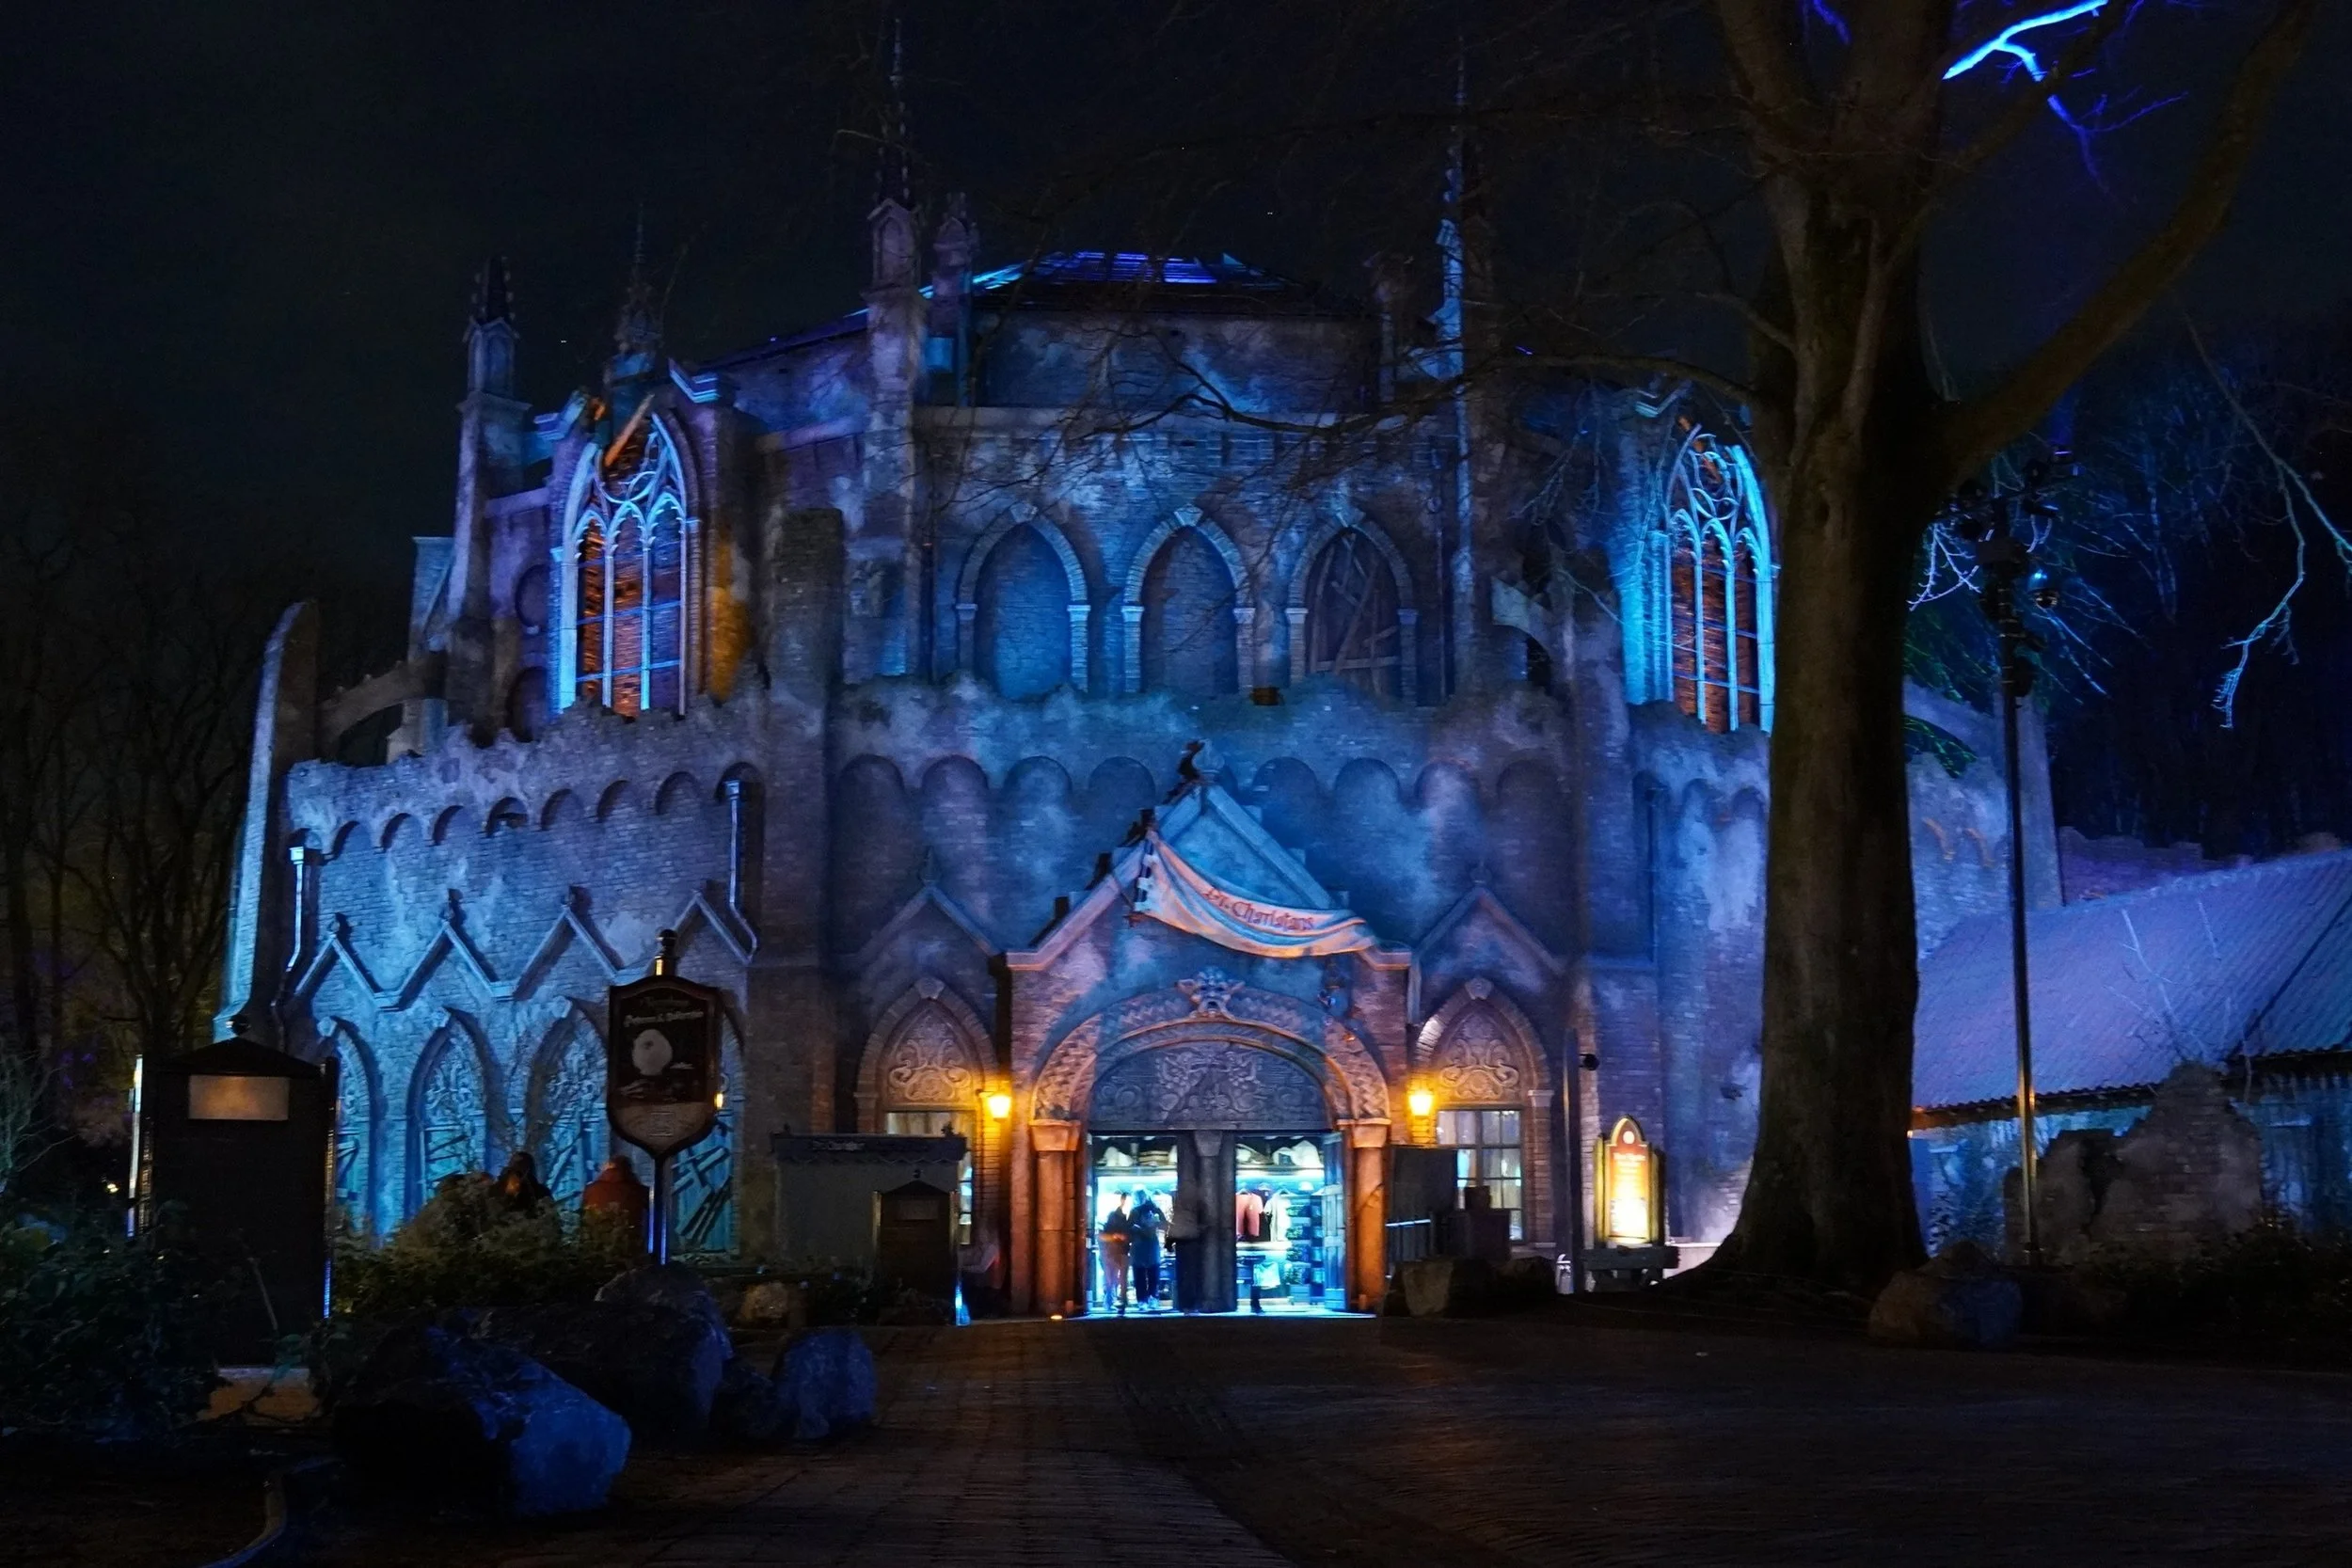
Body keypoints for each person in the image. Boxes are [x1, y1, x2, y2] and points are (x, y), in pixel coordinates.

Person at [1128, 1189, 1167, 1310]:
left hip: (1147, 1246)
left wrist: (1157, 1216)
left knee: (1150, 1273)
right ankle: (1146, 1300)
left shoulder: (1151, 1211)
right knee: (1145, 1273)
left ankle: (1148, 1299)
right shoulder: (1135, 1211)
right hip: (1141, 1246)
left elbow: (1164, 1225)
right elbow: (1130, 1227)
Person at [1098, 1194, 1135, 1314]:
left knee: (1114, 1278)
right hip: (1117, 1251)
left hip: (1117, 1251)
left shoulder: (1119, 1216)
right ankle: (1117, 1301)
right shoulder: (1118, 1217)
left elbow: (1104, 1235)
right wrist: (1117, 1237)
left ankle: (1115, 1301)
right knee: (1117, 1277)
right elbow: (1105, 1235)